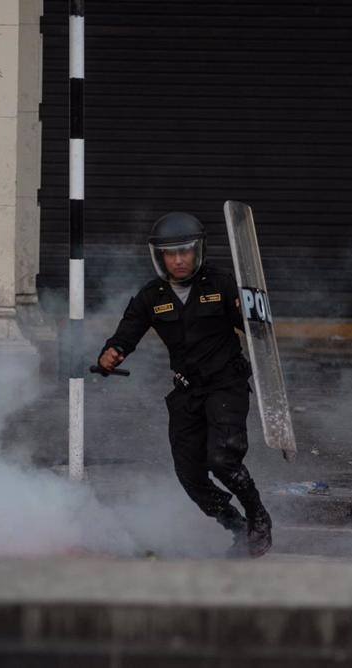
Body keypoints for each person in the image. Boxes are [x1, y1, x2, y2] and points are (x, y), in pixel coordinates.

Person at [98, 211, 272, 558]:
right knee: (190, 475)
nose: (178, 260)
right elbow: (126, 333)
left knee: (223, 458)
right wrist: (112, 352)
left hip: (226, 386)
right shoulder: (151, 296)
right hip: (187, 392)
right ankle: (236, 527)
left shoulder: (221, 284)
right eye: (170, 253)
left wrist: (252, 308)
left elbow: (259, 329)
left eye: (185, 252)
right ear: (159, 256)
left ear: (198, 251)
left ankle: (258, 517)